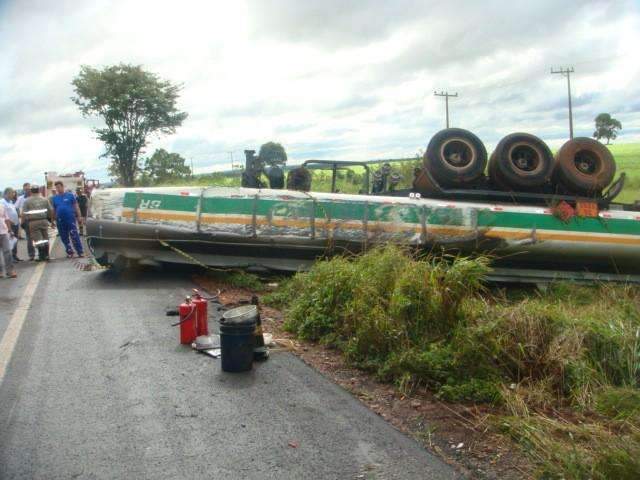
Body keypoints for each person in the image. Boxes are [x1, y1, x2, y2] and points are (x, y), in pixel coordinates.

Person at [51, 181, 84, 258]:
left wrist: (79, 216)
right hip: (60, 220)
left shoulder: (70, 195)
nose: (58, 189)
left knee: (74, 235)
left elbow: (76, 206)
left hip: (70, 219)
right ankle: (69, 251)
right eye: (56, 188)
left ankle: (80, 252)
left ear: (63, 187)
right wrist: (52, 221)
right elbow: (53, 210)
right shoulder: (54, 198)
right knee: (64, 236)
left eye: (59, 187)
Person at [21, 185, 53, 262]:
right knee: (45, 238)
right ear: (39, 190)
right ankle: (47, 255)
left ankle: (41, 256)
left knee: (38, 239)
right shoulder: (44, 199)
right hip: (43, 220)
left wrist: (22, 223)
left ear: (31, 191)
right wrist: (51, 221)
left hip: (33, 221)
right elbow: (50, 211)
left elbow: (23, 213)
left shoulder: (27, 201)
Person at [15, 182, 35, 258]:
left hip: (35, 219)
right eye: (26, 189)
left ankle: (42, 254)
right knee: (29, 238)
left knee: (38, 237)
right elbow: (15, 207)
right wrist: (19, 215)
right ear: (24, 189)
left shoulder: (35, 197)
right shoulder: (21, 198)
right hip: (26, 220)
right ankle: (31, 255)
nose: (27, 190)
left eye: (29, 189)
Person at [1, 188, 20, 261]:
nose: (13, 194)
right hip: (8, 224)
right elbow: (4, 215)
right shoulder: (2, 202)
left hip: (15, 224)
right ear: (7, 194)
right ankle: (11, 258)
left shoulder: (11, 202)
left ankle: (14, 256)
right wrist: (9, 223)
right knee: (9, 242)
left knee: (14, 240)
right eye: (12, 193)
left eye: (14, 193)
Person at [0, 199, 17, 278]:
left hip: (4, 232)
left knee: (7, 252)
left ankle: (10, 271)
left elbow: (6, 219)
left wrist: (10, 230)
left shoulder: (1, 206)